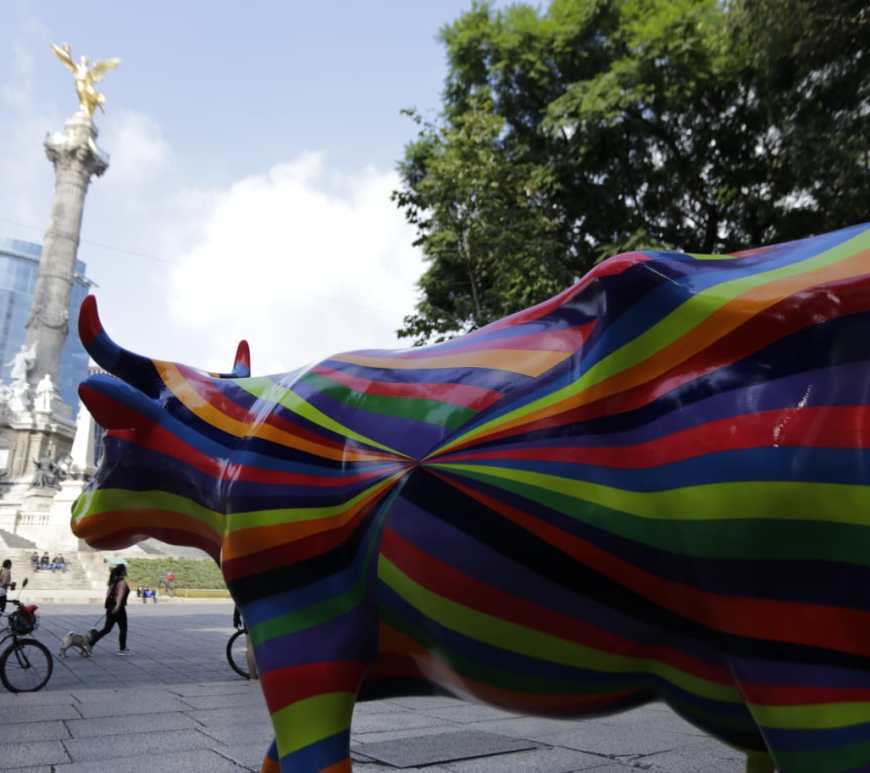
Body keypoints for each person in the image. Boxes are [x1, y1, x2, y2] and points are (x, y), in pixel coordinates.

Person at [89, 564, 131, 654]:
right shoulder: (122, 582)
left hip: (110, 608)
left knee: (107, 629)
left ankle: (90, 643)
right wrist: (117, 606)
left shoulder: (113, 582)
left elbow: (108, 596)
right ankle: (122, 649)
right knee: (123, 629)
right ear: (123, 571)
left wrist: (109, 608)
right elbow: (120, 596)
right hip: (119, 609)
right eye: (125, 569)